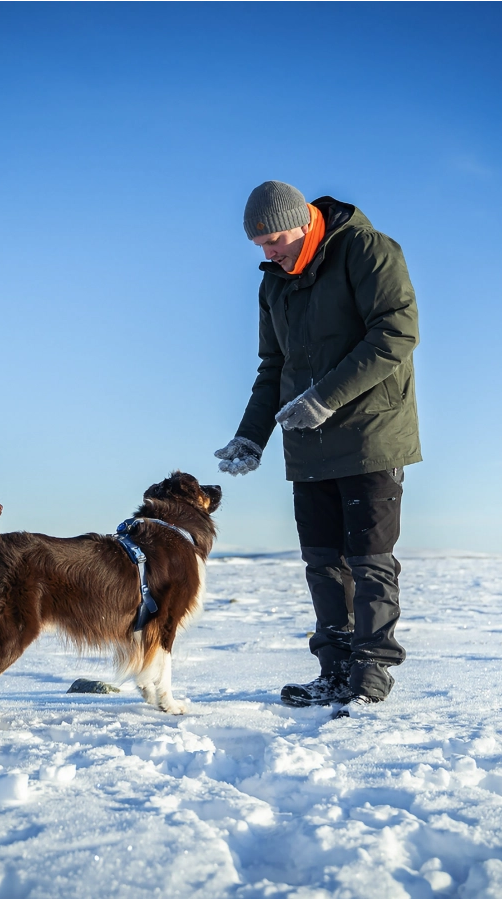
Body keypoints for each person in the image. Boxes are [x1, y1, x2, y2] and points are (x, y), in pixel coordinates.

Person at [215, 181, 421, 709]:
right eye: (259, 245)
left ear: (305, 222)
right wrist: (250, 436)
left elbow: (395, 333)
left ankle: (371, 672)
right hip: (308, 442)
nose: (269, 253)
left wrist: (325, 398)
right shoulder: (274, 284)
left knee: (369, 559)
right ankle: (335, 669)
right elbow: (274, 367)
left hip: (371, 433)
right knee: (323, 562)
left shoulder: (367, 250)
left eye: (275, 239)